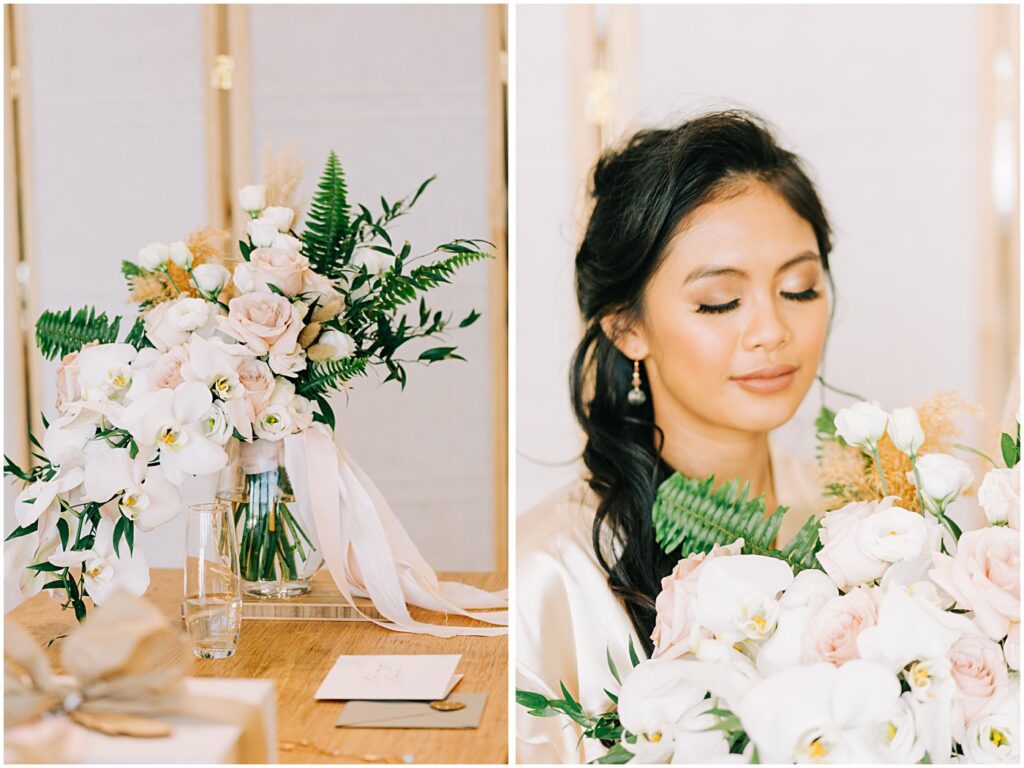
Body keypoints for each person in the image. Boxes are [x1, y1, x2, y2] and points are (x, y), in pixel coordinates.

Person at [517, 109, 834, 763]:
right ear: (626, 326)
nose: (771, 330)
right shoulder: (552, 575)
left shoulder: (867, 526)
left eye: (799, 289)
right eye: (720, 301)